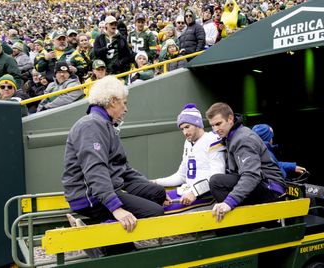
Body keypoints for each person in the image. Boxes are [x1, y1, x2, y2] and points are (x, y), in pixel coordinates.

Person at [61, 75, 167, 256]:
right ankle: (95, 237)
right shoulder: (91, 125)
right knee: (155, 213)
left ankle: (111, 239)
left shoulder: (105, 124)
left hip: (105, 189)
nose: (126, 109)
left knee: (157, 194)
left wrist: (151, 187)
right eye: (124, 103)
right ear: (112, 102)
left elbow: (123, 169)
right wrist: (116, 208)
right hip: (90, 197)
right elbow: (95, 170)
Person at [205, 102, 287, 222]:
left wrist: (229, 202)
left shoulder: (243, 139)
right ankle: (240, 222)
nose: (215, 129)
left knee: (217, 182)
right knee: (218, 180)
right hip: (262, 184)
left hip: (272, 189)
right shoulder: (230, 137)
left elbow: (252, 175)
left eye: (218, 124)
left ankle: (241, 223)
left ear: (230, 119)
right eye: (212, 125)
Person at [153, 103, 225, 213]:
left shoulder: (212, 140)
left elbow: (217, 177)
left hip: (206, 196)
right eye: (182, 129)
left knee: (160, 211)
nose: (185, 132)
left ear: (198, 124)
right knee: (152, 199)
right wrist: (155, 182)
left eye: (187, 127)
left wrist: (194, 192)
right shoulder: (188, 143)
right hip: (186, 191)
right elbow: (181, 176)